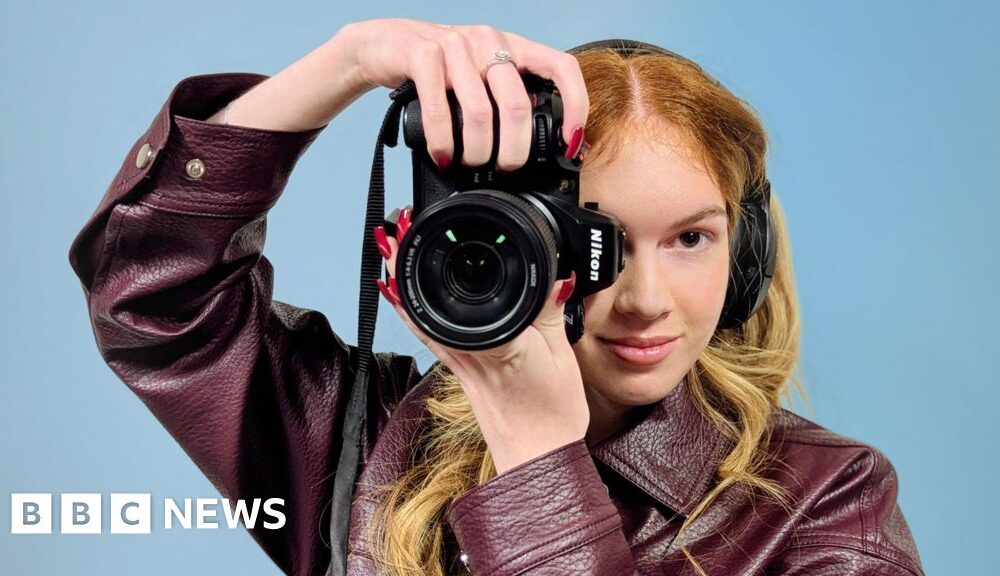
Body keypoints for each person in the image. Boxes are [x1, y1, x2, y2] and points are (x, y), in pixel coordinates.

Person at [68, 17, 924, 576]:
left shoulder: (828, 503)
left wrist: (538, 460)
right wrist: (351, 61)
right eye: (601, 243)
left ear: (746, 257)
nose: (645, 300)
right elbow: (151, 298)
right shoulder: (369, 447)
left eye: (690, 239)